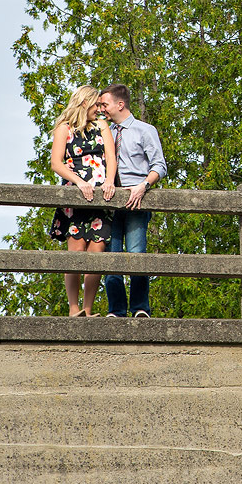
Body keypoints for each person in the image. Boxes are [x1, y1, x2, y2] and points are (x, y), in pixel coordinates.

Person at [48, 84, 117, 317]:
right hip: (76, 194)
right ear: (85, 102)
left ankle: (88, 309)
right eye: (97, 104)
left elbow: (110, 156)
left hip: (101, 196)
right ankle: (73, 308)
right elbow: (56, 163)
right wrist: (78, 181)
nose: (99, 109)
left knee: (96, 251)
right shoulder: (64, 128)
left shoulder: (102, 126)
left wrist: (109, 181)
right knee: (76, 251)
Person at [97, 83, 165, 317]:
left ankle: (139, 308)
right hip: (109, 201)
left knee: (137, 254)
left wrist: (143, 186)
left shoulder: (145, 130)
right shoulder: (105, 132)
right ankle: (116, 309)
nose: (102, 109)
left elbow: (159, 166)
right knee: (111, 257)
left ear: (120, 104)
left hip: (136, 199)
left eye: (104, 104)